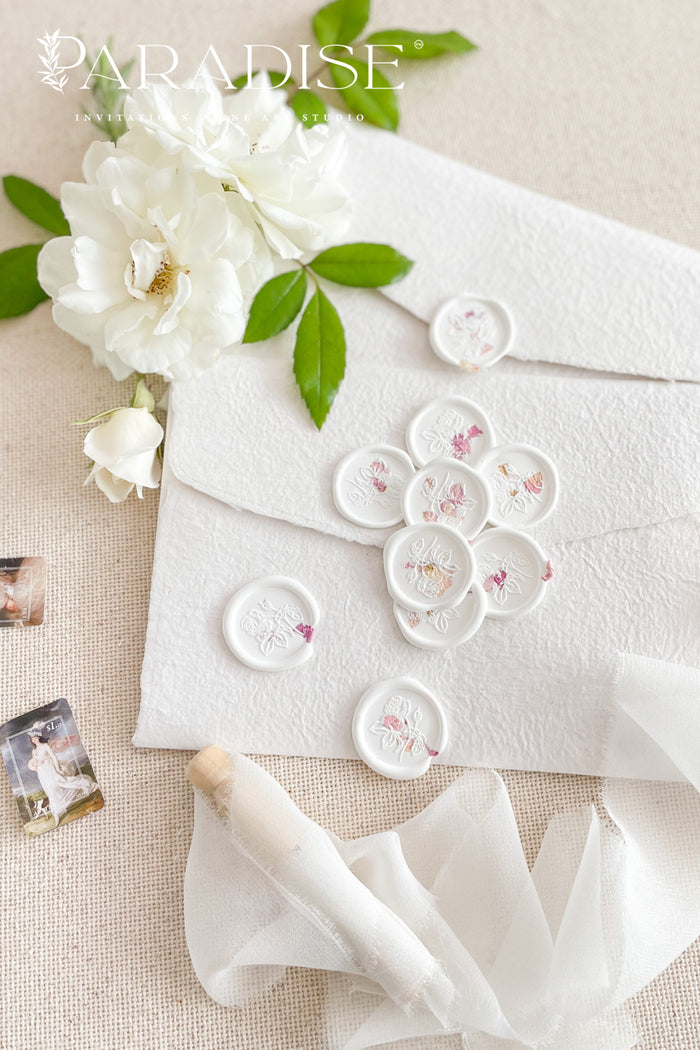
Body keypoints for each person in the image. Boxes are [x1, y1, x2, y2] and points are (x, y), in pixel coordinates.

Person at [27, 734, 98, 825]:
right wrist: (37, 764)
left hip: (50, 768)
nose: (34, 740)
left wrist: (57, 768)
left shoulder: (45, 746)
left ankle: (86, 784)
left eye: (35, 738)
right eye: (32, 739)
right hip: (42, 772)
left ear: (39, 738)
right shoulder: (34, 751)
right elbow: (34, 761)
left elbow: (53, 757)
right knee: (50, 791)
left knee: (61, 782)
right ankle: (56, 813)